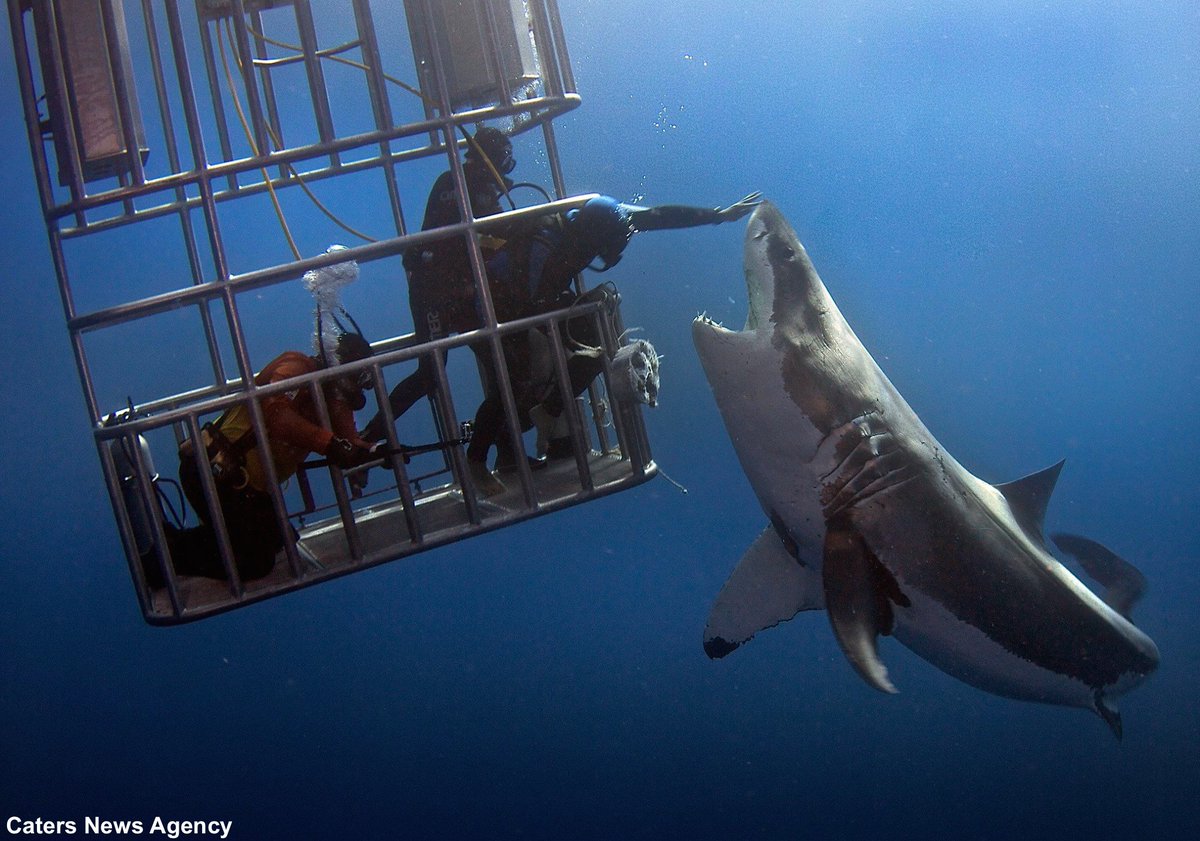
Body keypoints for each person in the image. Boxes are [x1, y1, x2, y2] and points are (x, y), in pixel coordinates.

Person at [464, 192, 762, 491]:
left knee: (598, 345)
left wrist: (719, 215)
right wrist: (578, 301)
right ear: (590, 240)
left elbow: (660, 214)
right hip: (493, 309)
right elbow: (533, 301)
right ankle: (476, 461)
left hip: (536, 296)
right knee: (514, 383)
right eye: (602, 251)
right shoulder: (546, 246)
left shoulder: (611, 216)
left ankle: (547, 412)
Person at [143, 332, 377, 587]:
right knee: (255, 562)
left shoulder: (332, 397)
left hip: (245, 487)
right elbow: (279, 417)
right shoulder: (297, 368)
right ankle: (165, 557)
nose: (355, 391)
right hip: (214, 473)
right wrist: (331, 444)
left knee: (280, 539)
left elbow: (348, 441)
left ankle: (186, 542)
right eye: (355, 379)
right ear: (339, 369)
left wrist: (369, 454)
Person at [360, 125, 516, 442]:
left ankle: (493, 441)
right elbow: (491, 235)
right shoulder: (467, 185)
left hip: (452, 290)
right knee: (433, 374)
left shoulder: (463, 181)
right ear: (496, 159)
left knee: (501, 364)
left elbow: (478, 237)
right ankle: (369, 436)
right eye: (505, 160)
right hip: (434, 293)